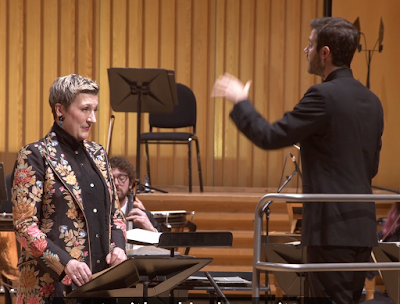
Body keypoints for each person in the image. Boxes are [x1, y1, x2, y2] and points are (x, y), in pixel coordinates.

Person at [212, 17, 383, 304]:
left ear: (325, 53)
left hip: (331, 229)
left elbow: (269, 136)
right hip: (362, 227)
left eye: (311, 44)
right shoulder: (372, 101)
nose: (307, 50)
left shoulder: (322, 96)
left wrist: (241, 101)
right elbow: (371, 167)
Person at [11, 74, 127, 303]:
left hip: (99, 283)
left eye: (95, 109)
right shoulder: (35, 156)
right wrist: (65, 262)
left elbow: (114, 213)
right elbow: (25, 226)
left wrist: (119, 247)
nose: (92, 118)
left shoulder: (98, 154)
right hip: (50, 287)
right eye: (85, 109)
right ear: (60, 110)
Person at [109, 156, 162, 233]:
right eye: (111, 179)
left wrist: (151, 230)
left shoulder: (144, 215)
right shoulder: (96, 213)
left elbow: (165, 244)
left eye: (122, 178)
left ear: (130, 183)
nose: (116, 183)